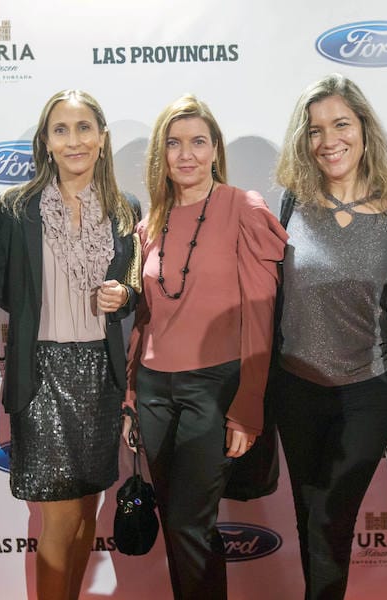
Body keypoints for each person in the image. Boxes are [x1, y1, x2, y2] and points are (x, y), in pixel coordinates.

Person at [122, 94, 287, 599]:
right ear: (161, 153)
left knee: (190, 524)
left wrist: (248, 407)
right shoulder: (151, 223)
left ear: (215, 149)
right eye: (173, 143)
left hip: (214, 390)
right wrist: (130, 397)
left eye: (198, 141)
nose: (185, 154)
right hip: (153, 391)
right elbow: (144, 320)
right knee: (178, 523)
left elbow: (261, 318)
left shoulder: (244, 208)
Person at [0, 89, 139, 600]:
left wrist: (126, 294)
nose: (73, 140)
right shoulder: (16, 208)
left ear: (101, 138)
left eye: (83, 128)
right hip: (42, 375)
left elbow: (134, 290)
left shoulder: (125, 208)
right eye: (61, 129)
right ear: (46, 142)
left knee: (87, 517)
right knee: (59, 519)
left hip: (101, 374)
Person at [271, 73, 387, 599]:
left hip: (366, 390)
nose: (329, 140)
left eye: (341, 124)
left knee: (331, 513)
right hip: (294, 388)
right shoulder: (290, 204)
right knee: (309, 515)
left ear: (365, 129)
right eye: (314, 129)